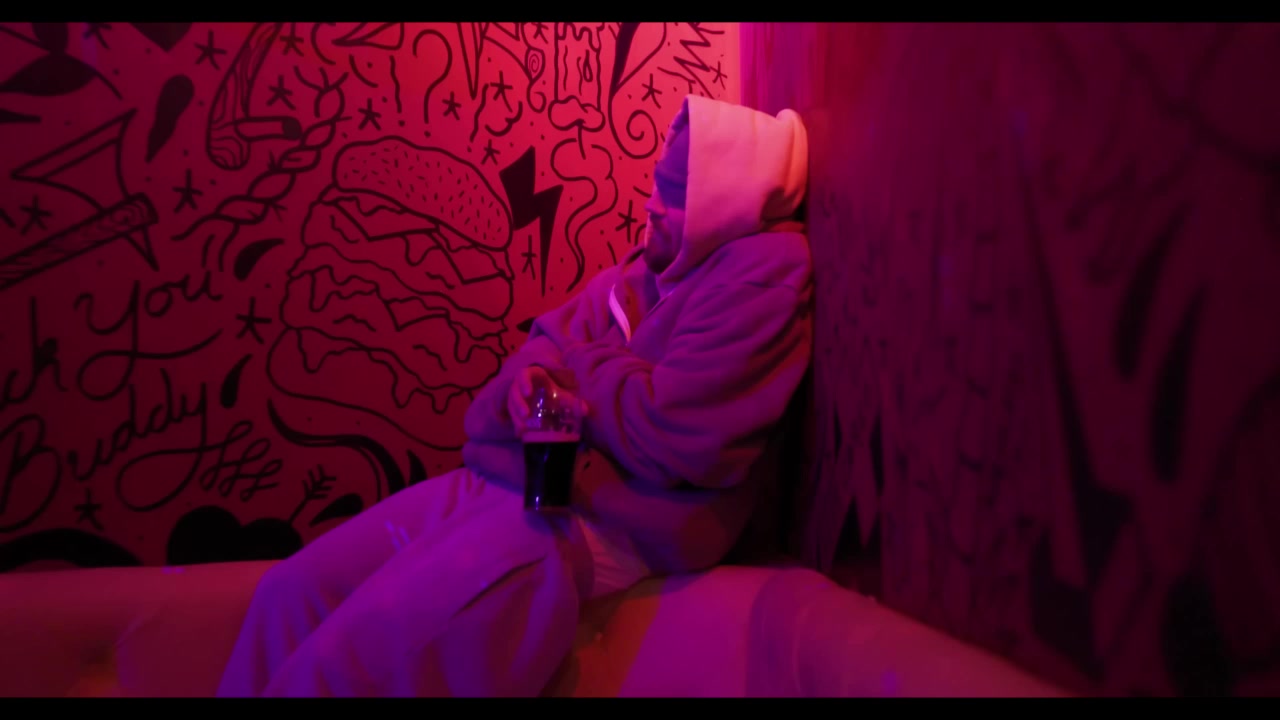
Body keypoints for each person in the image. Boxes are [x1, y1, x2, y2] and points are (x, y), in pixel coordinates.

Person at [216, 94, 813, 697]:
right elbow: (521, 371)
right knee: (288, 595)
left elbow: (677, 431)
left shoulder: (761, 275)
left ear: (725, 201)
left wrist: (574, 368)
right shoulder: (640, 272)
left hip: (588, 523)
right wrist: (532, 389)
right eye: (660, 183)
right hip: (508, 479)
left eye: (679, 193)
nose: (652, 205)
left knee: (338, 671)